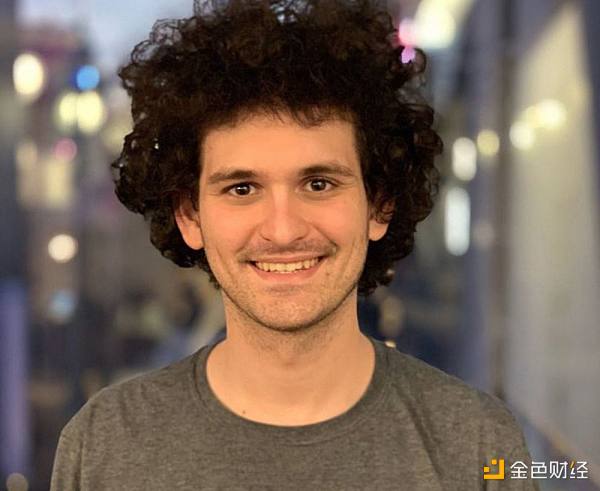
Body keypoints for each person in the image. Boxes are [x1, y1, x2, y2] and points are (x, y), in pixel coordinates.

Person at [51, 0, 538, 489]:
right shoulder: (105, 446)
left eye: (319, 184)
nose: (283, 231)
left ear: (379, 205)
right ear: (189, 216)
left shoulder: (478, 446)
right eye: (242, 189)